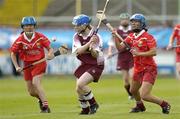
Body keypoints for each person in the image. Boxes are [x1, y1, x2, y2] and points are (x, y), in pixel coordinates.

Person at [97, 12, 171, 114]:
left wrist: (138, 53)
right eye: (132, 22)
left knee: (145, 95)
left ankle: (164, 104)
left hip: (149, 68)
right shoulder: (131, 36)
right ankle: (140, 106)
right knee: (133, 90)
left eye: (136, 22)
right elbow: (120, 48)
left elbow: (154, 52)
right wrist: (115, 37)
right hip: (138, 69)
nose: (134, 24)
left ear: (142, 24)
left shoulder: (147, 37)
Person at [10, 16, 54, 113]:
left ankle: (46, 107)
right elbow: (13, 53)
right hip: (27, 65)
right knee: (31, 92)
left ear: (34, 26)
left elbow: (50, 48)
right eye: (26, 26)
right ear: (23, 27)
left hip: (40, 63)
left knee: (36, 83)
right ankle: (41, 100)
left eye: (31, 25)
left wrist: (50, 54)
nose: (29, 27)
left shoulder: (40, 37)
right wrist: (17, 66)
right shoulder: (20, 40)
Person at [72, 14, 104, 115]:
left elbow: (95, 56)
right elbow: (79, 52)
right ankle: (85, 109)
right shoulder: (76, 36)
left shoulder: (97, 36)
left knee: (81, 84)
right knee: (78, 89)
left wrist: (93, 49)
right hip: (85, 63)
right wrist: (89, 43)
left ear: (84, 25)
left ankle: (93, 104)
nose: (75, 27)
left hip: (96, 64)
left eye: (77, 25)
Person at [107, 13, 133, 100]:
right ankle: (131, 94)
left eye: (126, 19)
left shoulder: (133, 30)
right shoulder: (117, 31)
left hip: (132, 56)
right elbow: (111, 43)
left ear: (128, 20)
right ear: (120, 21)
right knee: (126, 81)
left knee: (132, 76)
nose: (124, 21)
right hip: (122, 57)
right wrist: (110, 52)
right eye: (123, 19)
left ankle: (136, 93)